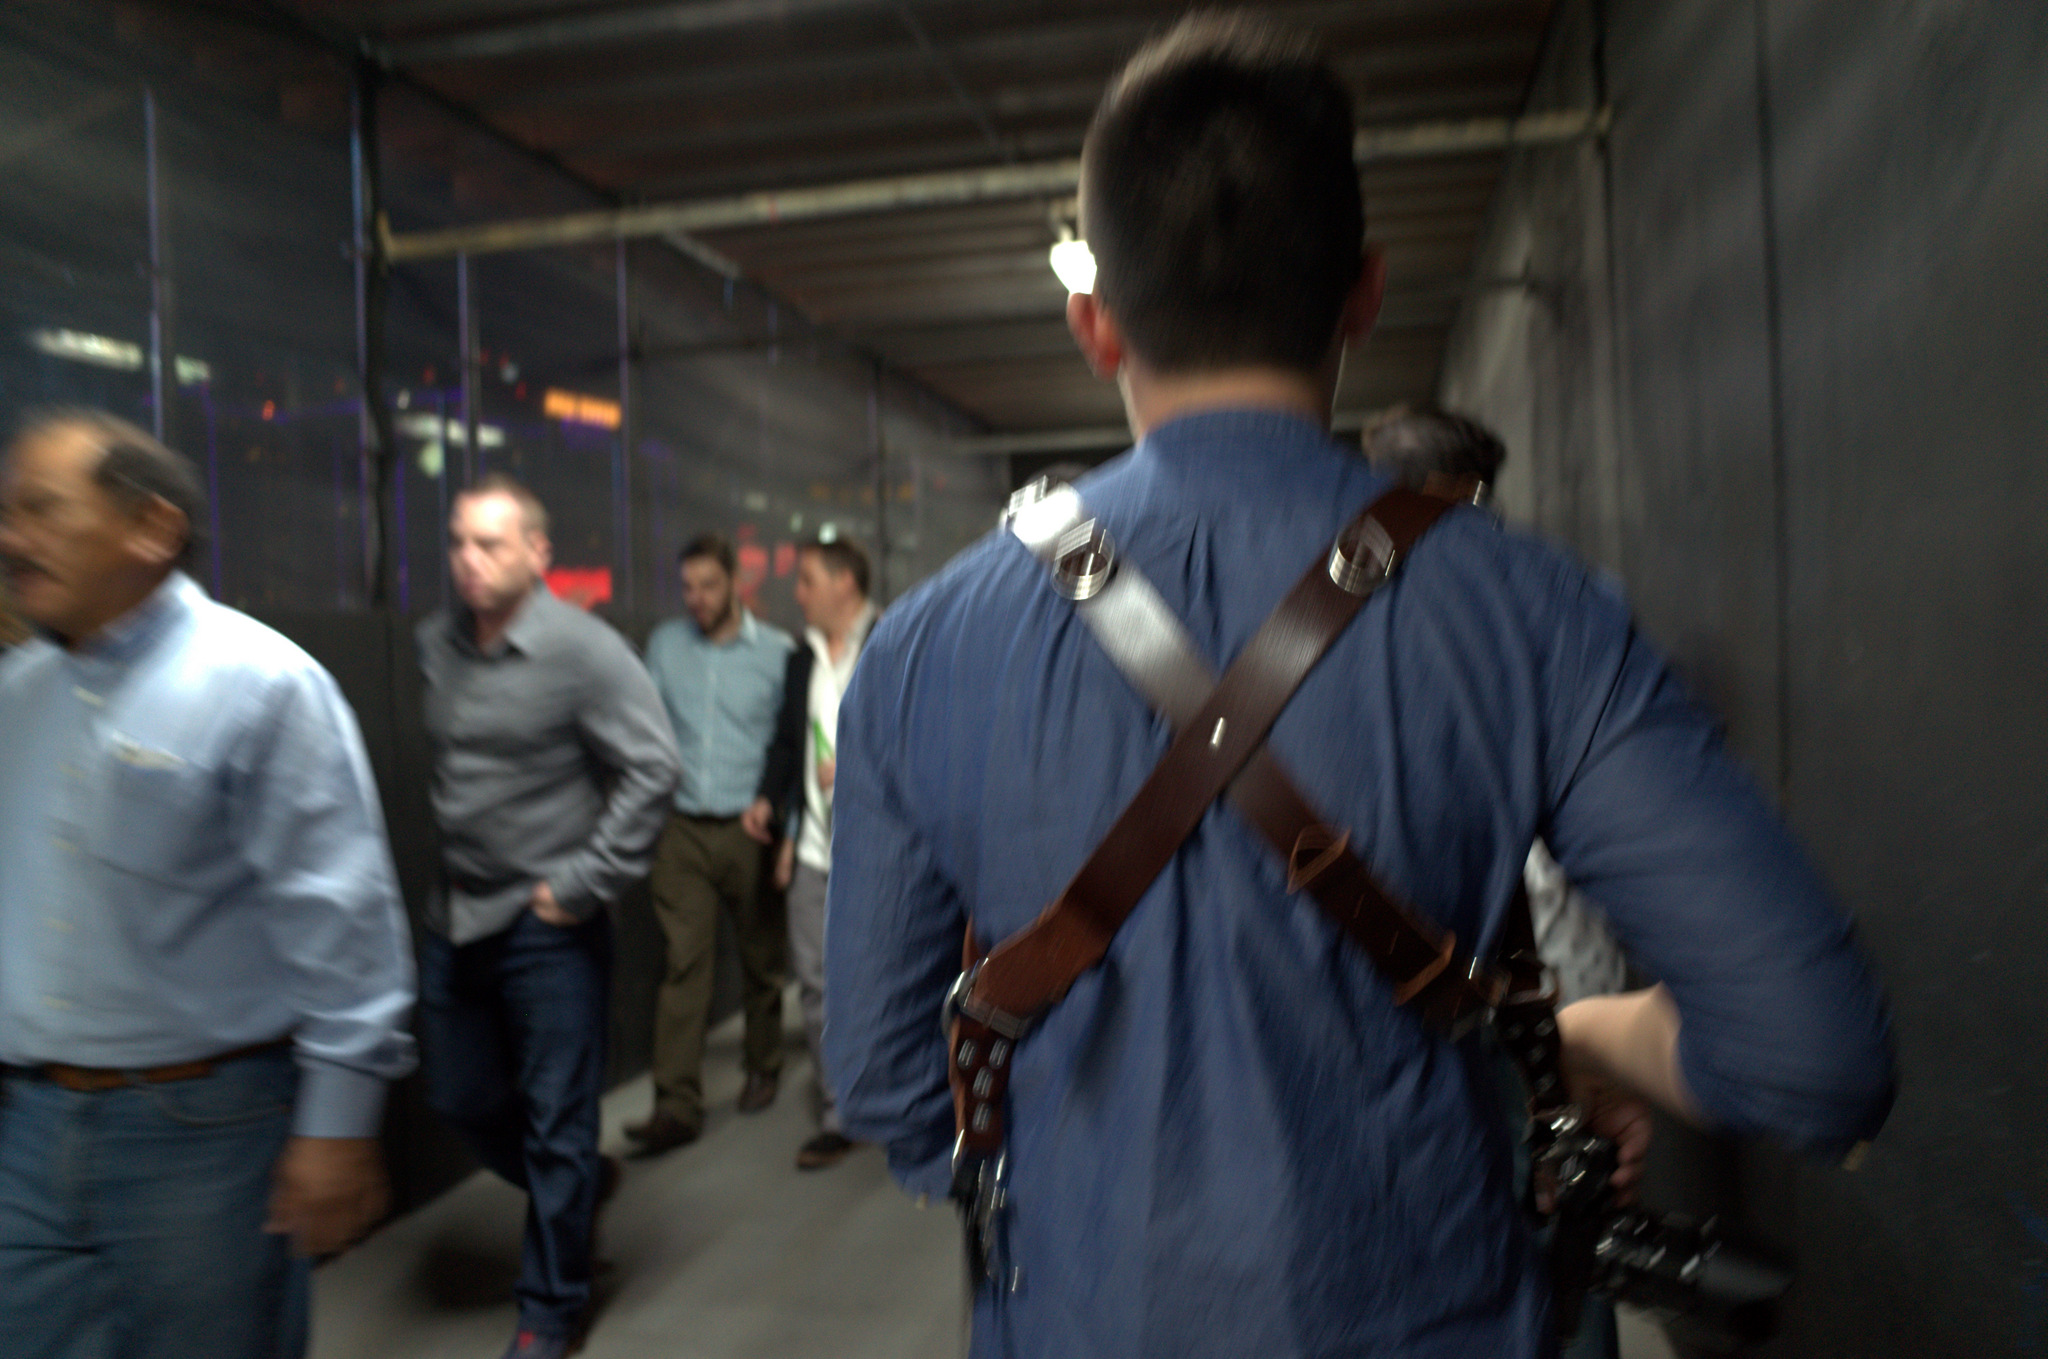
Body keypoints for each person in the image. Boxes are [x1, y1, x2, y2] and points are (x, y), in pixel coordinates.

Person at [822, 16, 1894, 1359]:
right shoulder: (1531, 607)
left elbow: (880, 1075)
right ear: (1364, 294)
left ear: (1094, 325)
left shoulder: (919, 649)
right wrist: (1583, 1043)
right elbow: (1816, 1053)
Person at [0, 408, 416, 1359]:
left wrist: (338, 1129)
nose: (11, 537)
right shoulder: (15, 695)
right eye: (6, 511)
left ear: (151, 528)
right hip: (33, 1129)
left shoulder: (262, 683)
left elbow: (342, 921)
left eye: (43, 510)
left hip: (203, 1131)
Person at [416, 473, 680, 1359]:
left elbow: (652, 767)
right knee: (460, 1094)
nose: (469, 561)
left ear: (538, 552)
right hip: (456, 916)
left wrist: (584, 881)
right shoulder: (436, 645)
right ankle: (573, 1183)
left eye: (490, 544)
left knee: (558, 1117)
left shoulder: (584, 650)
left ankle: (551, 1308)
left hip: (548, 927)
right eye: (457, 541)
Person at [632, 533, 795, 1153]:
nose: (696, 599)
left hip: (748, 828)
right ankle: (676, 1104)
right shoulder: (666, 647)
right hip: (680, 828)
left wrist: (784, 821)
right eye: (687, 588)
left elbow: (789, 746)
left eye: (708, 586)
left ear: (736, 584)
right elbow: (644, 727)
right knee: (684, 965)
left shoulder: (777, 654)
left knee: (760, 959)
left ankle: (763, 1064)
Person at [760, 533, 876, 1171]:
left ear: (844, 585)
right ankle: (840, 1113)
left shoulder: (894, 638)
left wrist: (856, 765)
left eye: (807, 580)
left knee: (886, 978)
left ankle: (899, 1096)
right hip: (811, 849)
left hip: (879, 852)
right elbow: (789, 744)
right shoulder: (800, 657)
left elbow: (918, 736)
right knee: (815, 985)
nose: (797, 593)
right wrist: (776, 816)